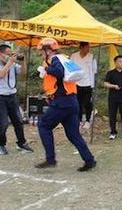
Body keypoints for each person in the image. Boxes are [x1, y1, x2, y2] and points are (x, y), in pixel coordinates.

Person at [34, 38, 96, 171]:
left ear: (48, 50)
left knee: (43, 125)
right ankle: (89, 160)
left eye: (42, 51)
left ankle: (50, 159)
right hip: (71, 101)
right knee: (73, 134)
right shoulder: (62, 59)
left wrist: (46, 68)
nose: (41, 54)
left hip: (62, 102)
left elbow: (59, 73)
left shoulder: (55, 59)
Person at [0, 44, 33, 155]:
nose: (10, 56)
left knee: (18, 121)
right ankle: (0, 145)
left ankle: (21, 143)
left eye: (11, 54)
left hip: (12, 96)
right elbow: (1, 75)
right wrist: (10, 62)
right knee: (3, 123)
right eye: (7, 54)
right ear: (0, 54)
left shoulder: (12, 64)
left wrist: (22, 61)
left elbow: (22, 73)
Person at [104, 55, 122, 140]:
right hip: (113, 97)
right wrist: (114, 86)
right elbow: (105, 83)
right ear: (116, 63)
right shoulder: (111, 73)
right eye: (120, 61)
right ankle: (113, 132)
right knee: (112, 115)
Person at [70, 42, 97, 128]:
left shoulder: (91, 57)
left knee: (87, 103)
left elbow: (94, 70)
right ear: (81, 47)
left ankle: (88, 120)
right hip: (76, 83)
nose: (87, 50)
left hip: (88, 83)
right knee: (78, 103)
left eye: (88, 48)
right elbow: (70, 68)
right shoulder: (74, 56)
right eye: (86, 48)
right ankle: (79, 120)